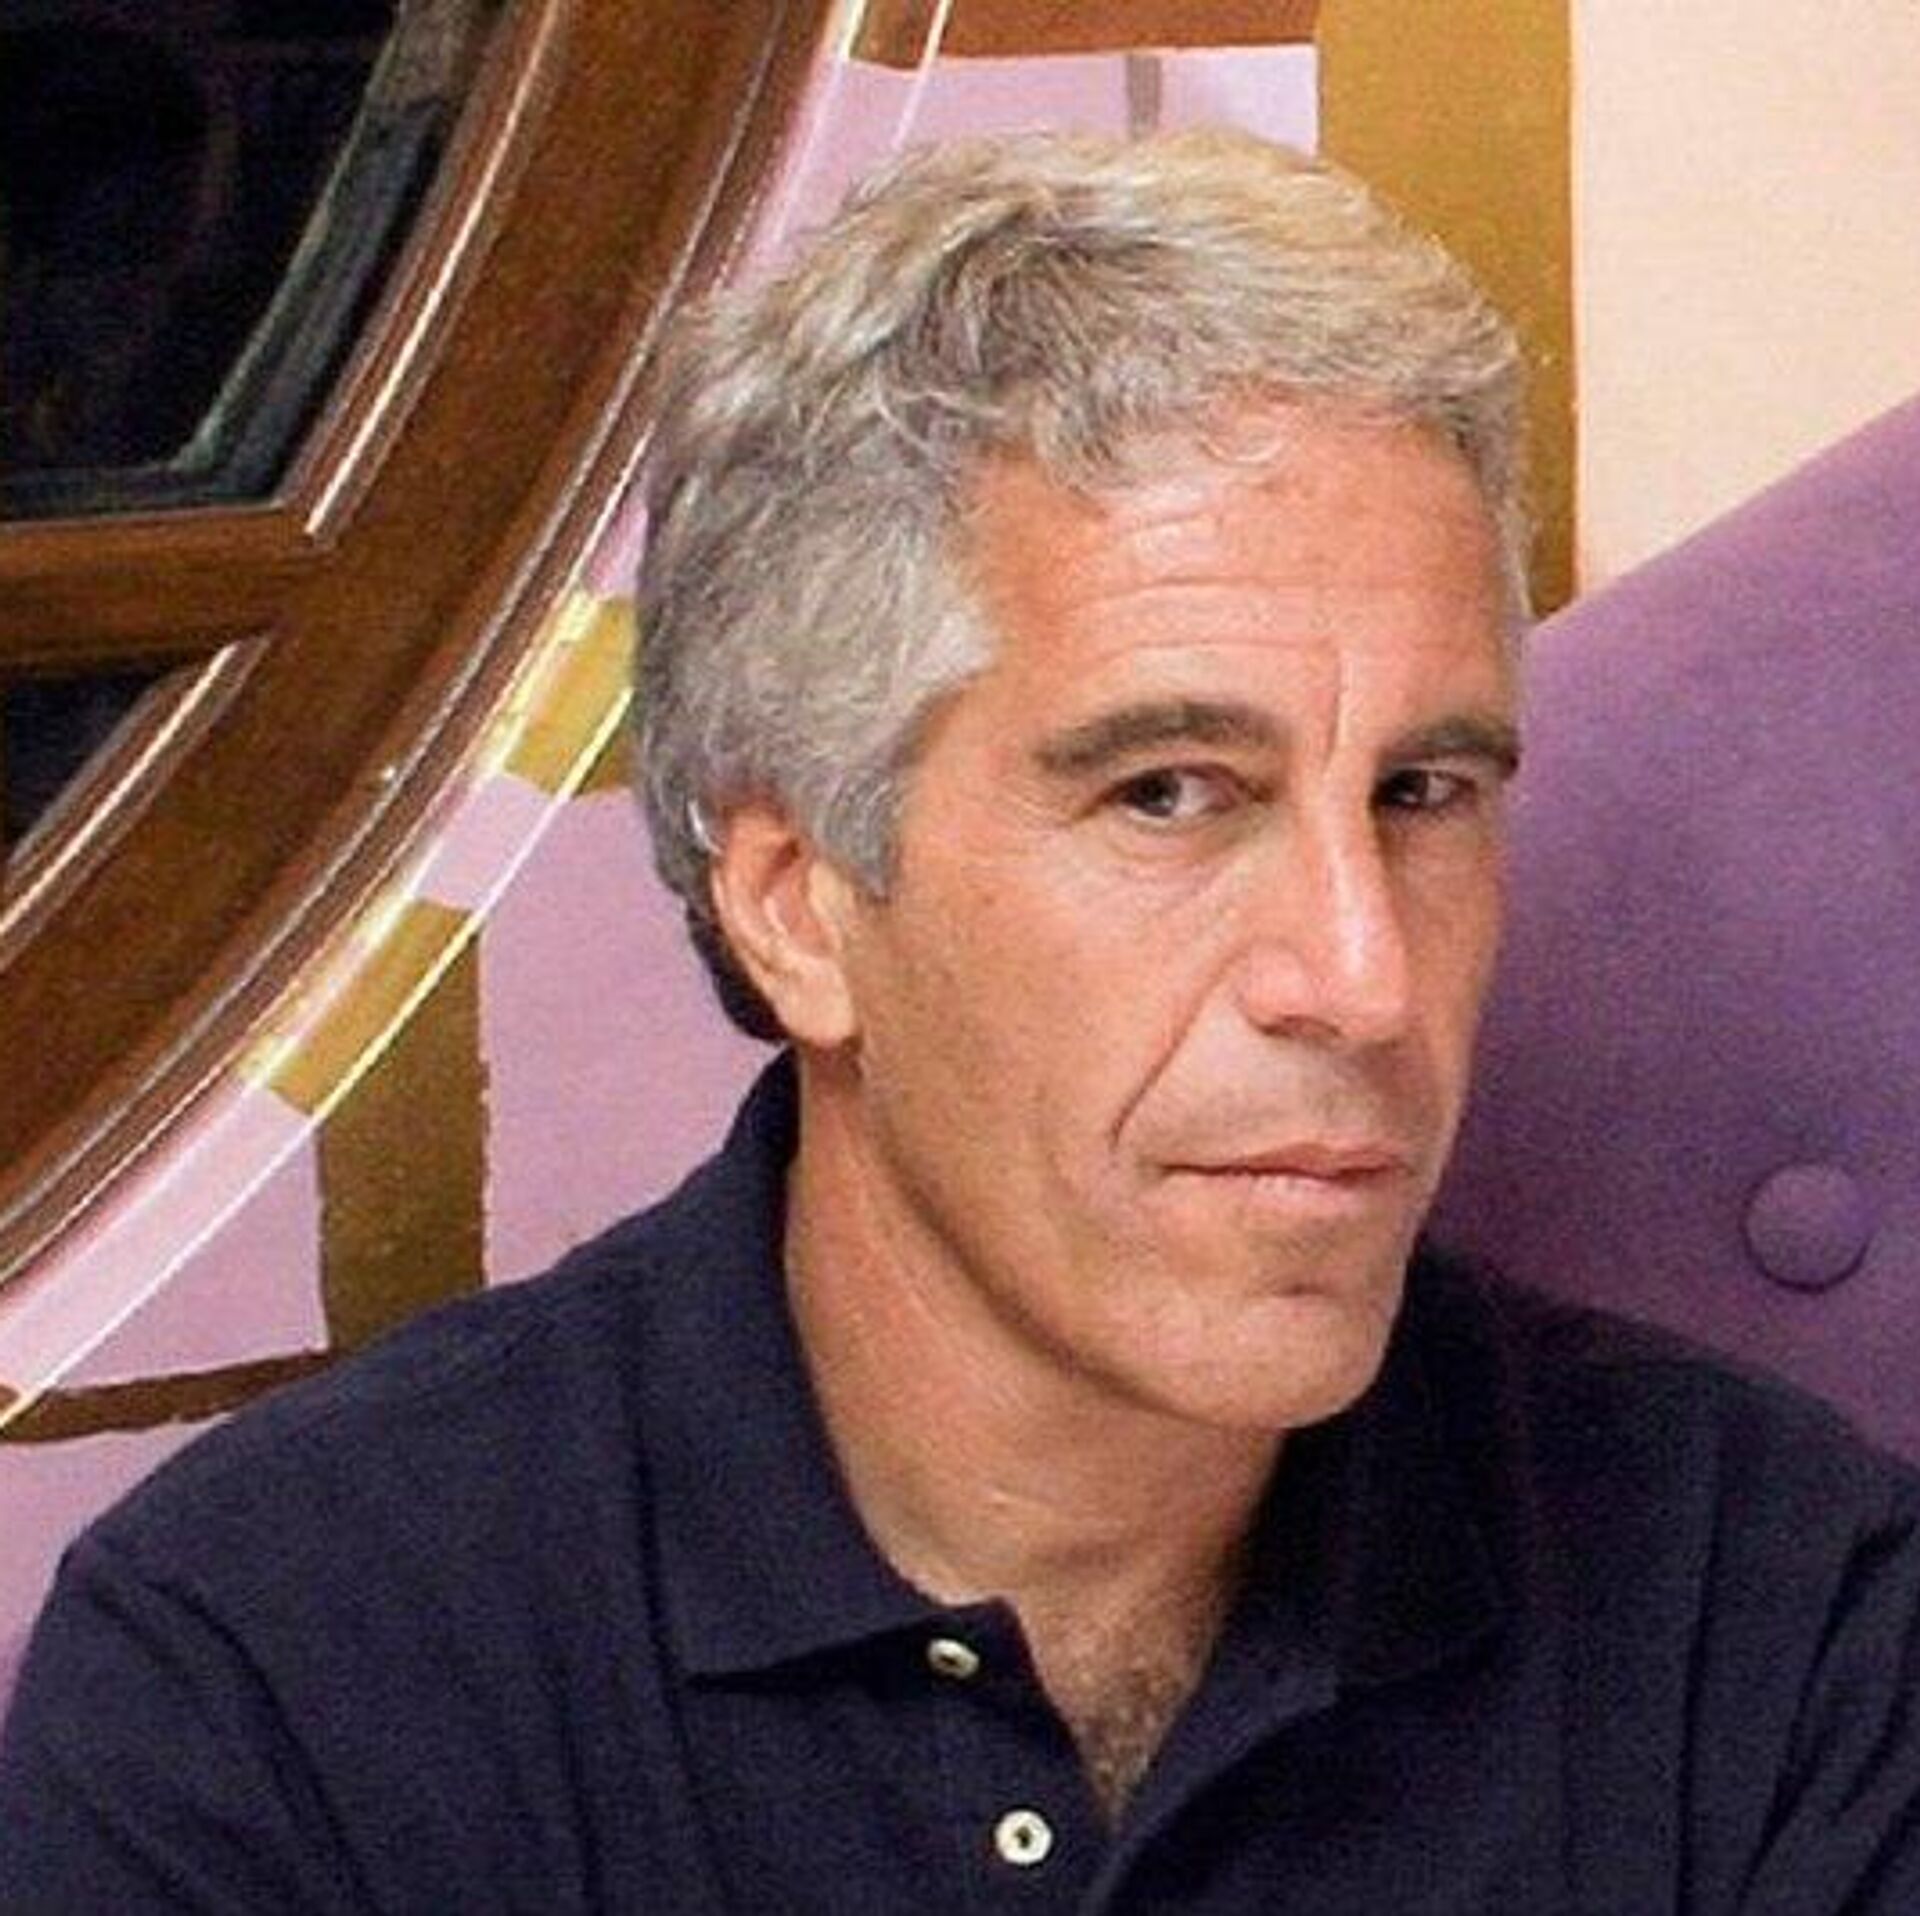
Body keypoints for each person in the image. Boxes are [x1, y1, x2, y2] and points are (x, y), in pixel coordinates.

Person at [4, 129, 1919, 1914]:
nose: (1367, 978)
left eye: (1424, 794)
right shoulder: (277, 1689)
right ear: (797, 906)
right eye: (1169, 794)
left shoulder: (1771, 1613)